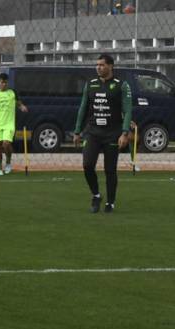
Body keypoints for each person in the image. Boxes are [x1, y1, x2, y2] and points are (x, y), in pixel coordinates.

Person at [73, 55, 132, 214]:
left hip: (112, 133)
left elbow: (127, 111)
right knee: (87, 165)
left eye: (102, 65)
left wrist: (125, 132)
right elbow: (83, 108)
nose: (98, 67)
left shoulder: (121, 85)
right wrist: (78, 131)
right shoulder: (90, 85)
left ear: (111, 66)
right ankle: (96, 195)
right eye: (97, 65)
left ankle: (110, 203)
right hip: (92, 132)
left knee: (110, 170)